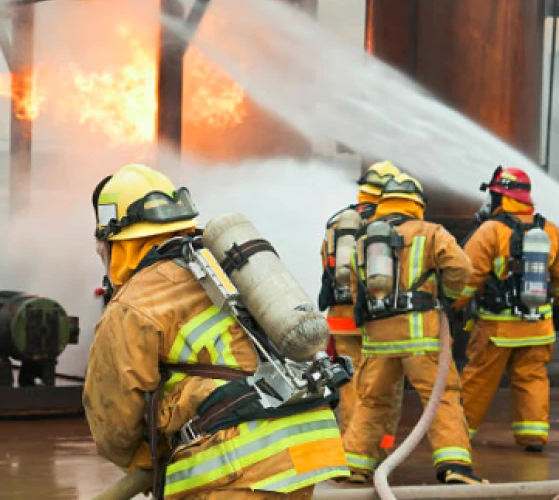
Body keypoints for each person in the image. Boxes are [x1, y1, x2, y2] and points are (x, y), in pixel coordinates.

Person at [83, 164, 349, 500]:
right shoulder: (223, 265)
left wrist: (147, 461)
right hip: (306, 446)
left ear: (119, 245)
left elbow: (113, 421)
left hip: (238, 464)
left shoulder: (133, 304)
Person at [341, 173, 485, 485]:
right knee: (442, 397)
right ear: (417, 204)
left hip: (378, 340)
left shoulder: (364, 241)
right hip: (421, 337)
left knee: (371, 401)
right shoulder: (431, 232)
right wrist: (445, 296)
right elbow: (462, 269)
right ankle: (455, 466)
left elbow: (356, 292)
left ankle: (354, 465)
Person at [454, 166, 559, 452]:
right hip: (539, 326)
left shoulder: (491, 231)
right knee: (533, 377)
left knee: (478, 379)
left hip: (497, 328)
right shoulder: (548, 229)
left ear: (500, 198)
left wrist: (453, 305)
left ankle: (458, 433)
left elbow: (467, 275)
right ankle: (534, 437)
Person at [318, 160, 403, 450]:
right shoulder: (389, 225)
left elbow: (327, 265)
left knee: (350, 386)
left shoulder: (337, 223)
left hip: (341, 320)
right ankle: (382, 444)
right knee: (382, 385)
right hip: (377, 319)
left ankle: (349, 444)